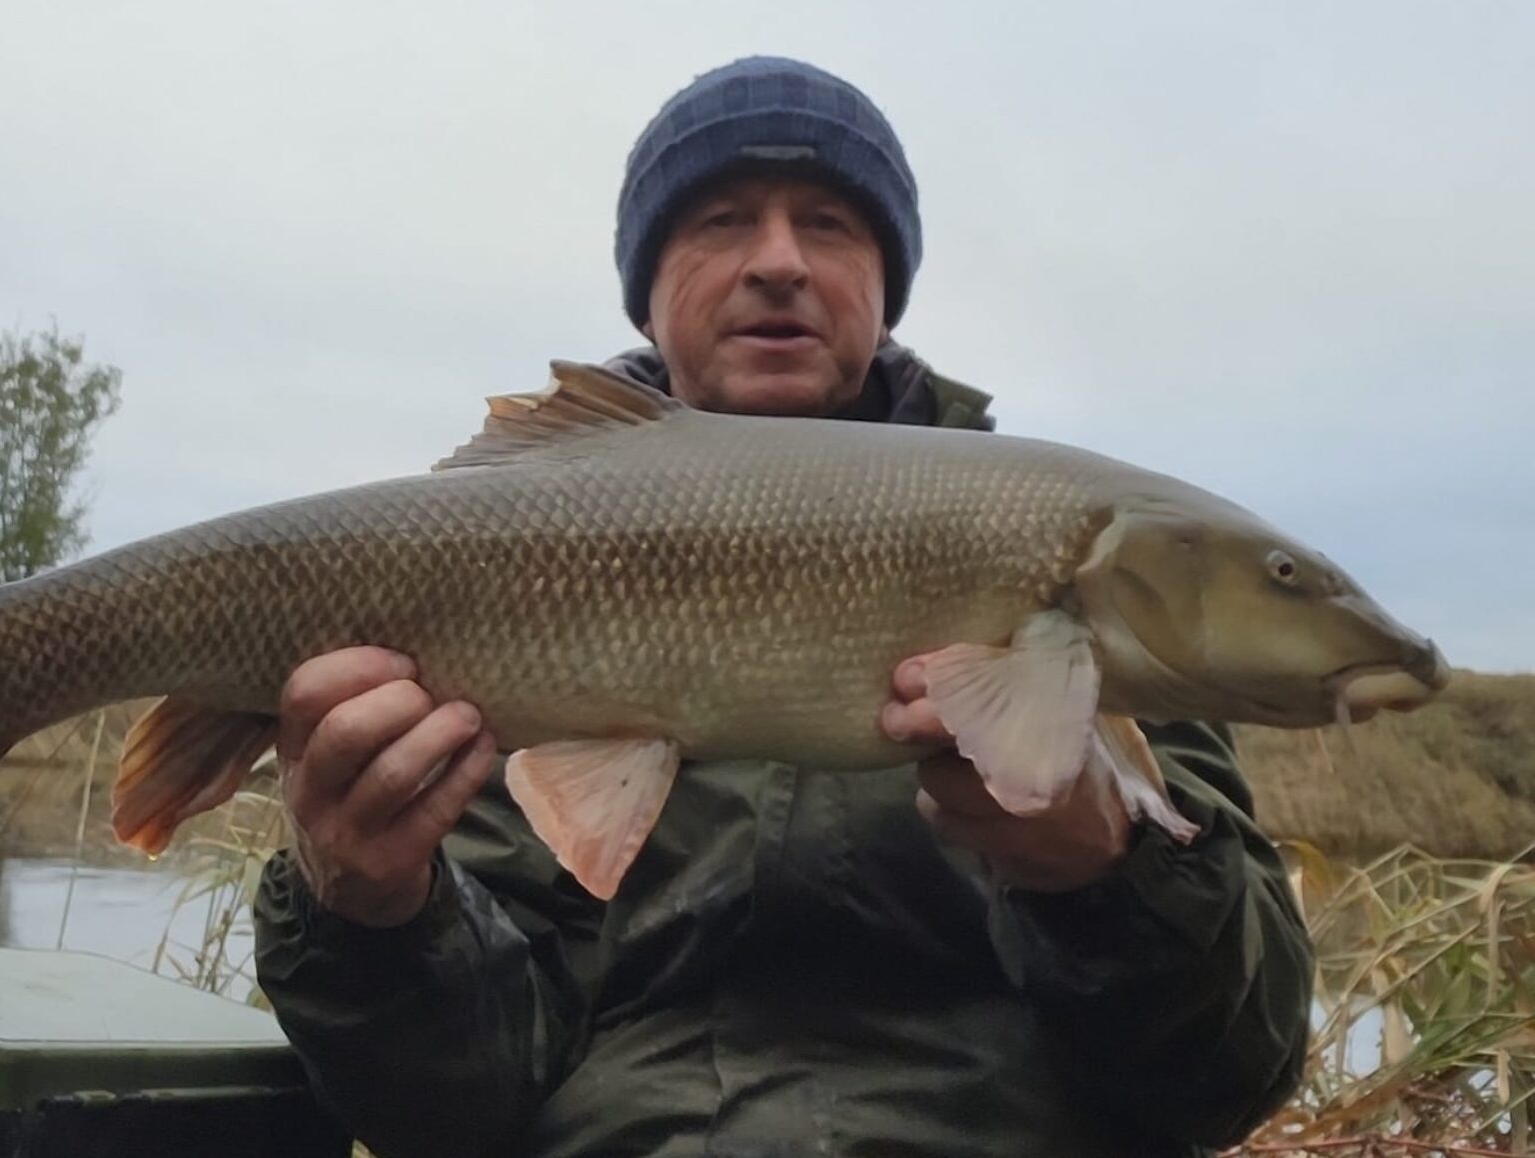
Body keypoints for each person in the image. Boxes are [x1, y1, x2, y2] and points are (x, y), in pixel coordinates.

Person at [251, 55, 1314, 1158]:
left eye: (828, 224)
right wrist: (366, 911)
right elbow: (448, 1112)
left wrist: (1101, 872)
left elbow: (1227, 1076)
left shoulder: (1071, 562)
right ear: (647, 290)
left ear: (885, 286)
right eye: (720, 221)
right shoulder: (492, 569)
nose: (777, 262)